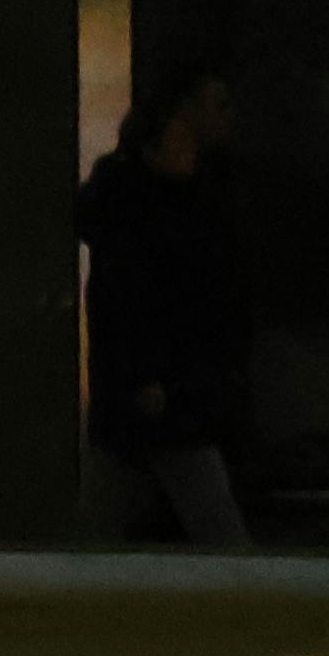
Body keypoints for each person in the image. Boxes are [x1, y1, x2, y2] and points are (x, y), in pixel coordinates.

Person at [76, 64, 254, 547]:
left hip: (159, 390)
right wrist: (149, 376)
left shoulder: (146, 194)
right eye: (217, 105)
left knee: (107, 522)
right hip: (167, 392)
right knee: (215, 526)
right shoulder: (158, 202)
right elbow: (134, 298)